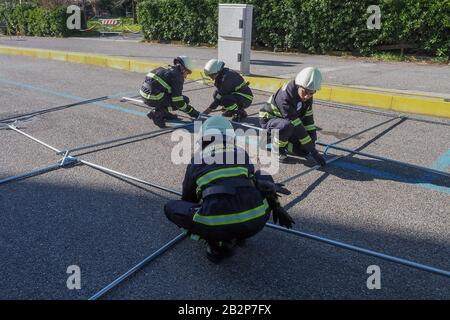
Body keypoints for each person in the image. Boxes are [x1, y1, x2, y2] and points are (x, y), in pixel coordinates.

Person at [164, 116, 294, 263]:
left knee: (170, 207)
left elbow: (188, 199)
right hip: (257, 220)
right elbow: (252, 182)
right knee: (260, 175)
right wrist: (274, 204)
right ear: (230, 137)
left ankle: (217, 246)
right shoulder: (242, 154)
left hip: (216, 225)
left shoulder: (197, 160)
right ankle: (240, 236)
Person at [259, 67, 326, 165]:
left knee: (304, 150)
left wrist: (312, 139)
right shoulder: (285, 97)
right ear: (299, 85)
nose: (307, 96)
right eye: (305, 92)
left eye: (312, 93)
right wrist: (314, 152)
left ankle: (286, 143)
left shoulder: (307, 96)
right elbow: (296, 124)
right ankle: (276, 147)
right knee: (287, 126)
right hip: (270, 120)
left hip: (288, 121)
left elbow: (308, 120)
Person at [139, 56, 200, 128]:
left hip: (143, 94)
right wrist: (194, 113)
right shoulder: (177, 76)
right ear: (183, 69)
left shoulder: (166, 68)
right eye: (188, 72)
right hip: (153, 97)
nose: (186, 76)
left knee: (170, 94)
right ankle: (157, 114)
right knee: (184, 100)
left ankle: (164, 113)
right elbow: (178, 101)